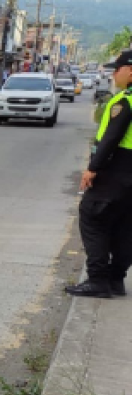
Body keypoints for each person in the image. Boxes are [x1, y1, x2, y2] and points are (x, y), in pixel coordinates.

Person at [67, 51, 132, 299]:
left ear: (130, 71)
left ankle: (98, 279)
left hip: (119, 170)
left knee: (92, 217)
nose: (113, 74)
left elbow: (111, 138)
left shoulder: (125, 101)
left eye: (117, 69)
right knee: (126, 226)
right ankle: (116, 279)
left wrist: (92, 168)